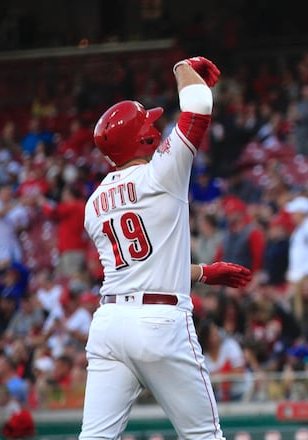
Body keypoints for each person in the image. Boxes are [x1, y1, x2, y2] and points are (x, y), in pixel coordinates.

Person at [80, 56, 252, 440]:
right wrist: (182, 67)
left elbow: (140, 268)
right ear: (141, 137)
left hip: (109, 324)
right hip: (160, 321)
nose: (154, 126)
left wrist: (202, 273)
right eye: (147, 123)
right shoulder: (160, 174)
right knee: (205, 436)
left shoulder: (93, 204)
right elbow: (199, 106)